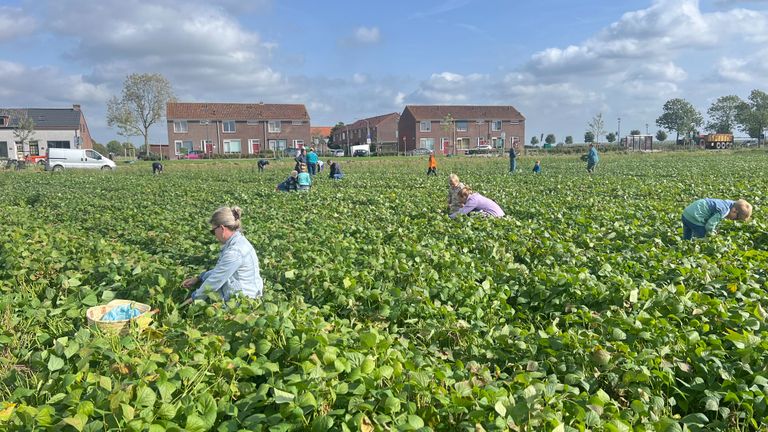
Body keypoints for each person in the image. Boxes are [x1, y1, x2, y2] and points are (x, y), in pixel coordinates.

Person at [181, 206, 263, 303]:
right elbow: (220, 270)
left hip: (245, 299)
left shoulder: (234, 252)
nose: (214, 235)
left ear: (222, 228)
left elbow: (216, 280)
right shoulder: (237, 241)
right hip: (246, 290)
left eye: (213, 231)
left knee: (209, 302)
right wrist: (199, 278)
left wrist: (194, 298)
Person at [681, 198, 752, 240]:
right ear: (734, 211)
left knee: (687, 236)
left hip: (686, 214)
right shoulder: (724, 210)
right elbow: (709, 225)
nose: (733, 220)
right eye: (736, 219)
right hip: (695, 218)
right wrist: (712, 233)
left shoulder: (727, 203)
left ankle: (685, 244)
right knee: (704, 237)